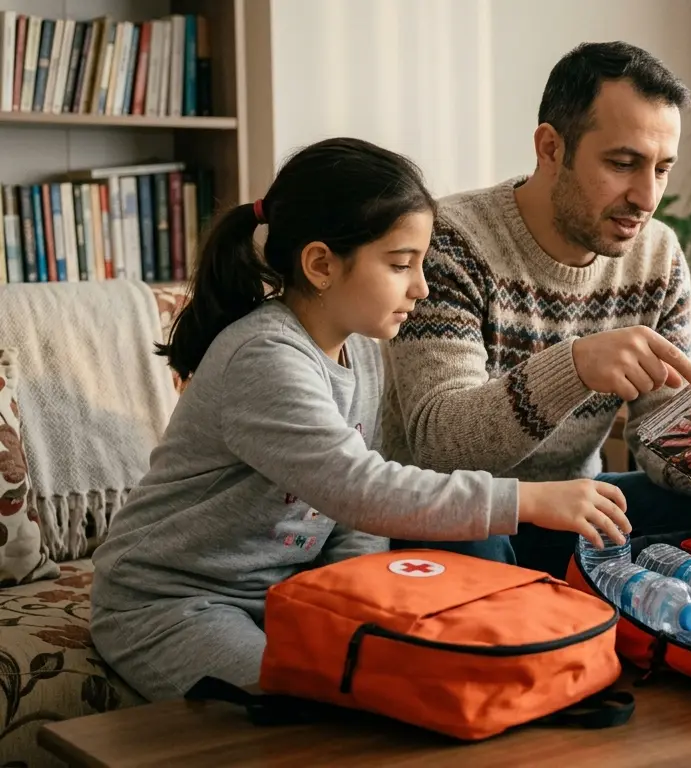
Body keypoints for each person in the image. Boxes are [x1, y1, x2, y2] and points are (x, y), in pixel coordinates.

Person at [90, 138, 633, 702]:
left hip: (278, 594)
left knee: (398, 683)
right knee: (308, 708)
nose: (421, 287)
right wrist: (528, 500)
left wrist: (360, 605)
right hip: (170, 603)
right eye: (400, 264)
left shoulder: (365, 353)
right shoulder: (264, 356)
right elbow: (360, 489)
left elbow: (354, 519)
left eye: (421, 263)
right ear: (321, 265)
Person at [382, 42, 691, 577]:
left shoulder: (658, 255)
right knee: (471, 541)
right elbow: (440, 445)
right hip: (454, 508)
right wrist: (575, 366)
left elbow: (659, 433)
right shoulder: (450, 241)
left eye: (662, 169)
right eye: (624, 164)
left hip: (574, 506)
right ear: (550, 148)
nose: (647, 197)